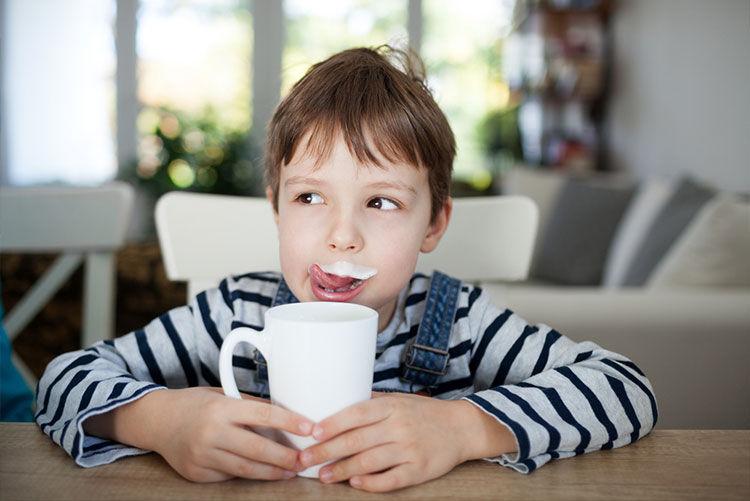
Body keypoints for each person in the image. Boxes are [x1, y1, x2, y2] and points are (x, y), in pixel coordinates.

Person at [35, 46, 657, 493]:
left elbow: (627, 389)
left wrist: (465, 430)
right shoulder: (233, 313)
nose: (342, 235)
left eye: (381, 202)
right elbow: (62, 379)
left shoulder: (458, 321)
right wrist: (160, 420)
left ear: (434, 225)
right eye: (310, 198)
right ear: (276, 208)